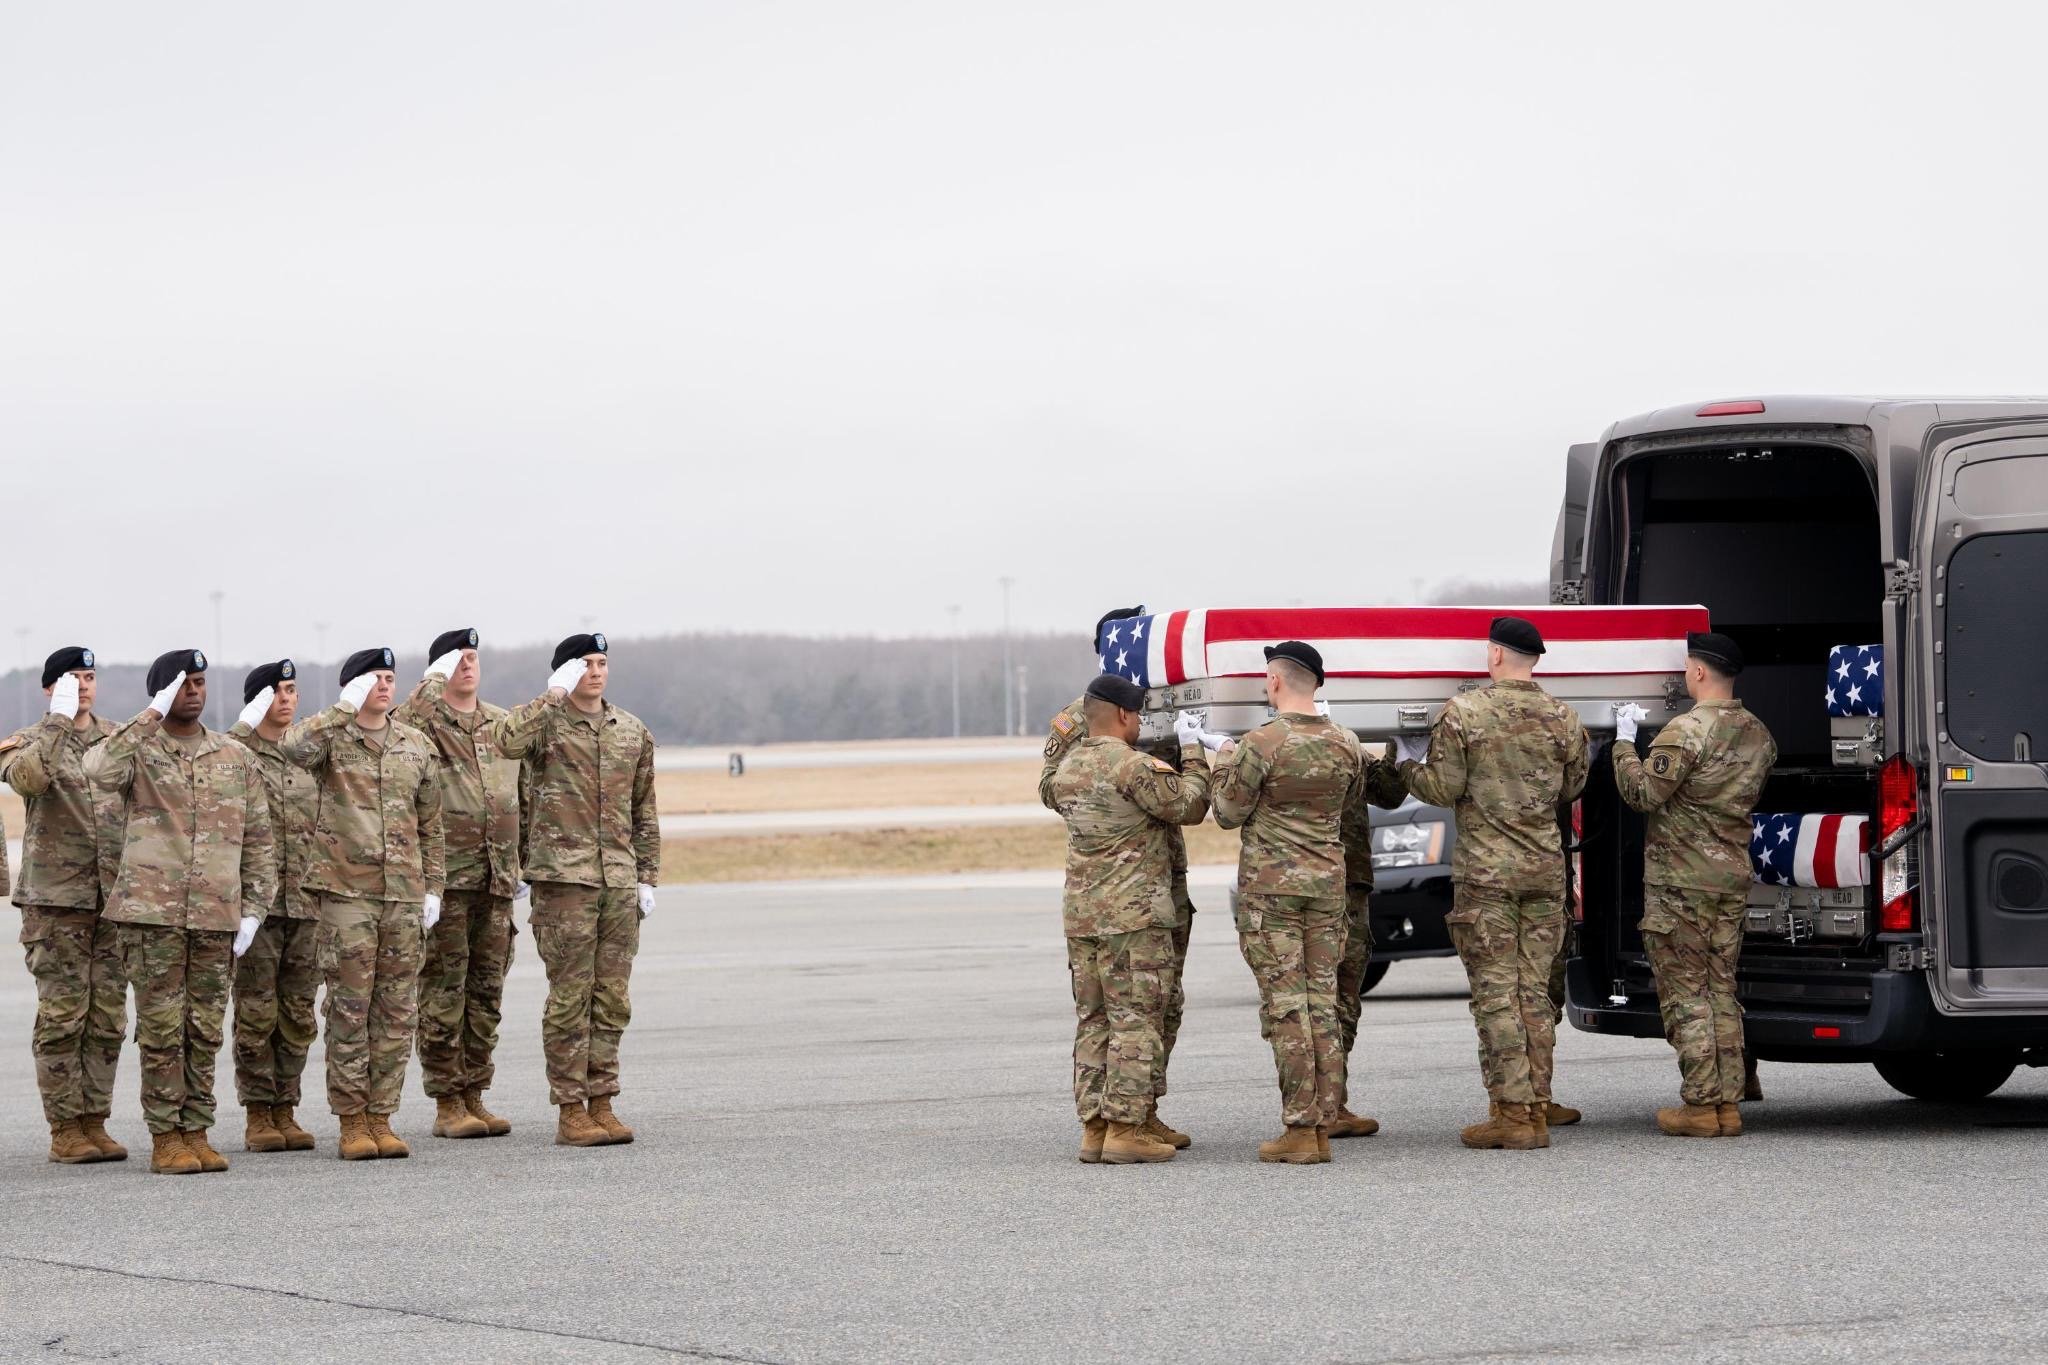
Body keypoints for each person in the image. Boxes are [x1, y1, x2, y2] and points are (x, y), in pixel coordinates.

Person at [1395, 617, 1588, 1151]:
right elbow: (1572, 786)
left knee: (1497, 996)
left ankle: (1513, 1115)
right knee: (1534, 994)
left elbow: (1442, 787)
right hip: (1544, 874)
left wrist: (1408, 762)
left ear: (1495, 654)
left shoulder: (1464, 713)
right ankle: (1537, 1104)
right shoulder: (1564, 716)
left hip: (1488, 878)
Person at [84, 652, 276, 1174]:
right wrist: (151, 712)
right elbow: (96, 770)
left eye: (199, 682)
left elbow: (259, 839)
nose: (193, 691)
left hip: (216, 915)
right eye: (182, 684)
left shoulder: (233, 756)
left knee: (205, 1029)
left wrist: (254, 909)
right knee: (163, 1031)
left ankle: (197, 1129)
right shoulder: (138, 749)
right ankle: (167, 1136)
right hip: (154, 917)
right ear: (163, 691)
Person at [1037, 606, 1200, 1149]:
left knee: (1121, 1013)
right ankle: (1124, 1125)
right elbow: (1187, 803)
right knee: (1137, 1014)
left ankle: (1112, 1120)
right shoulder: (1087, 723)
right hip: (1135, 901)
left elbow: (1056, 786)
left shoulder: (1156, 706)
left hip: (1103, 898)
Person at [487, 633, 659, 1148]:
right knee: (569, 998)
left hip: (618, 882)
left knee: (612, 998)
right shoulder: (546, 724)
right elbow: (505, 741)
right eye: (585, 664)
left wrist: (647, 876)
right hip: (565, 883)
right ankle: (570, 1109)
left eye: (602, 663)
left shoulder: (631, 730)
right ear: (565, 671)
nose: (596, 672)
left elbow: (644, 809)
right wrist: (552, 694)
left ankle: (602, 1100)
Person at [281, 648, 444, 1161]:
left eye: (390, 677)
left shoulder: (415, 744)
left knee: (397, 1010)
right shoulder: (331, 739)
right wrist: (340, 710)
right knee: (350, 1008)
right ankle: (352, 1120)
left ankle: (382, 1116)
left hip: (403, 894)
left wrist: (434, 887)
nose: (385, 685)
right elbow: (292, 748)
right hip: (347, 893)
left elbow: (430, 824)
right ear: (353, 686)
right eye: (374, 678)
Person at [1612, 632, 1777, 1138]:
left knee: (1686, 993)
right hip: (1729, 878)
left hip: (1681, 883)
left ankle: (1701, 1106)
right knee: (1721, 989)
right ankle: (1728, 1103)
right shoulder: (1759, 734)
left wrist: (1623, 743)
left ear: (1699, 672)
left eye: (1686, 667)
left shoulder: (1685, 730)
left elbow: (1642, 793)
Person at [1209, 641, 1362, 1165]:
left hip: (1272, 893)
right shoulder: (1346, 742)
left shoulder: (1262, 743)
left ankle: (1300, 1128)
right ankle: (1322, 1122)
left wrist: (1222, 759)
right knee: (1322, 1004)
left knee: (1287, 1007)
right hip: (1326, 889)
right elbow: (1348, 805)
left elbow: (1227, 812)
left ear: (1274, 681)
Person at [395, 628, 525, 1140]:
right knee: (443, 992)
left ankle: (475, 1093)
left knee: (486, 993)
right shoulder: (423, 723)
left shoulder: (500, 724)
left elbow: (522, 793)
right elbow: (401, 717)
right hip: (446, 880)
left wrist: (522, 862)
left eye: (472, 657)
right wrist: (433, 679)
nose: (467, 665)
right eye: (457, 659)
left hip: (496, 879)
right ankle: (447, 1100)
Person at [1, 646, 126, 1164]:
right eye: (74, 678)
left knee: (108, 1018)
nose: (84, 685)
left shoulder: (117, 739)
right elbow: (30, 781)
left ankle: (95, 1121)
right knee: (63, 1016)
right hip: (55, 904)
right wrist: (57, 722)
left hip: (112, 901)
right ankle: (65, 1128)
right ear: (51, 688)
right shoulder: (28, 742)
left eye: (90, 676)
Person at [227, 659, 322, 1153]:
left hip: (306, 904)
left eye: (291, 690)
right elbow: (218, 759)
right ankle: (258, 1113)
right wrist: (246, 724)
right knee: (256, 1012)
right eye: (277, 692)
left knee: (299, 1013)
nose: (287, 699)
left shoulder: (308, 754)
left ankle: (286, 1108)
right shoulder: (236, 752)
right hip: (256, 908)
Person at [1331, 744, 1409, 1138]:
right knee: (1306, 1002)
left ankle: (1332, 1102)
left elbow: (1388, 794)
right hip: (1295, 889)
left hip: (1350, 884)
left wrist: (1399, 745)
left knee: (1346, 998)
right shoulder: (1268, 745)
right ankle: (1311, 1106)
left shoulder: (1349, 748)